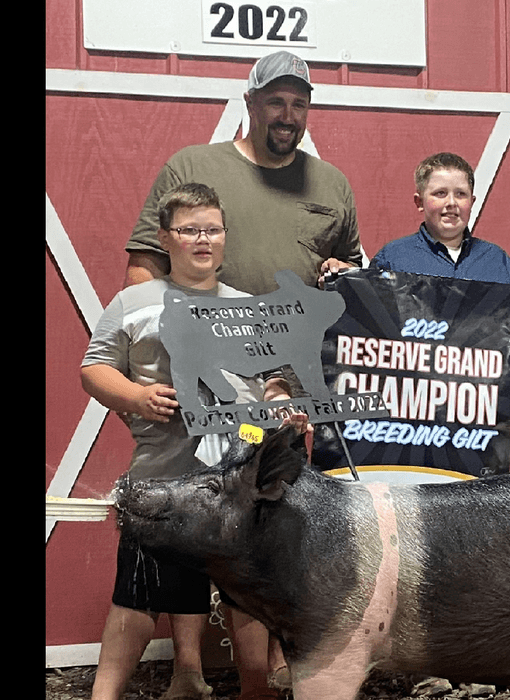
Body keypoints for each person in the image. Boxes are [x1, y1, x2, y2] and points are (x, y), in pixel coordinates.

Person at [83, 183, 306, 700]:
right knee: (137, 595)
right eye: (189, 230)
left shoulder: (249, 307)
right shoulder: (132, 302)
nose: (202, 239)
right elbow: (94, 368)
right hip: (162, 478)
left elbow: (273, 377)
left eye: (212, 229)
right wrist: (136, 397)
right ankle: (103, 696)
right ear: (165, 238)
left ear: (225, 236)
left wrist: (278, 403)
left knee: (246, 594)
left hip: (240, 480)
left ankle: (257, 689)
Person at [123, 50, 362, 295]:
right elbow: (145, 268)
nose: (288, 117)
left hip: (303, 332)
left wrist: (343, 272)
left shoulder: (333, 184)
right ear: (250, 104)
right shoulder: (189, 168)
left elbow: (352, 270)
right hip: (205, 330)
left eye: (298, 105)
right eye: (276, 103)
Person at [369, 152, 510, 317]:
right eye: (440, 193)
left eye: (461, 194)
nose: (451, 202)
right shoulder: (393, 258)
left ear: (472, 202)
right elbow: (368, 331)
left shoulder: (496, 261)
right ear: (419, 202)